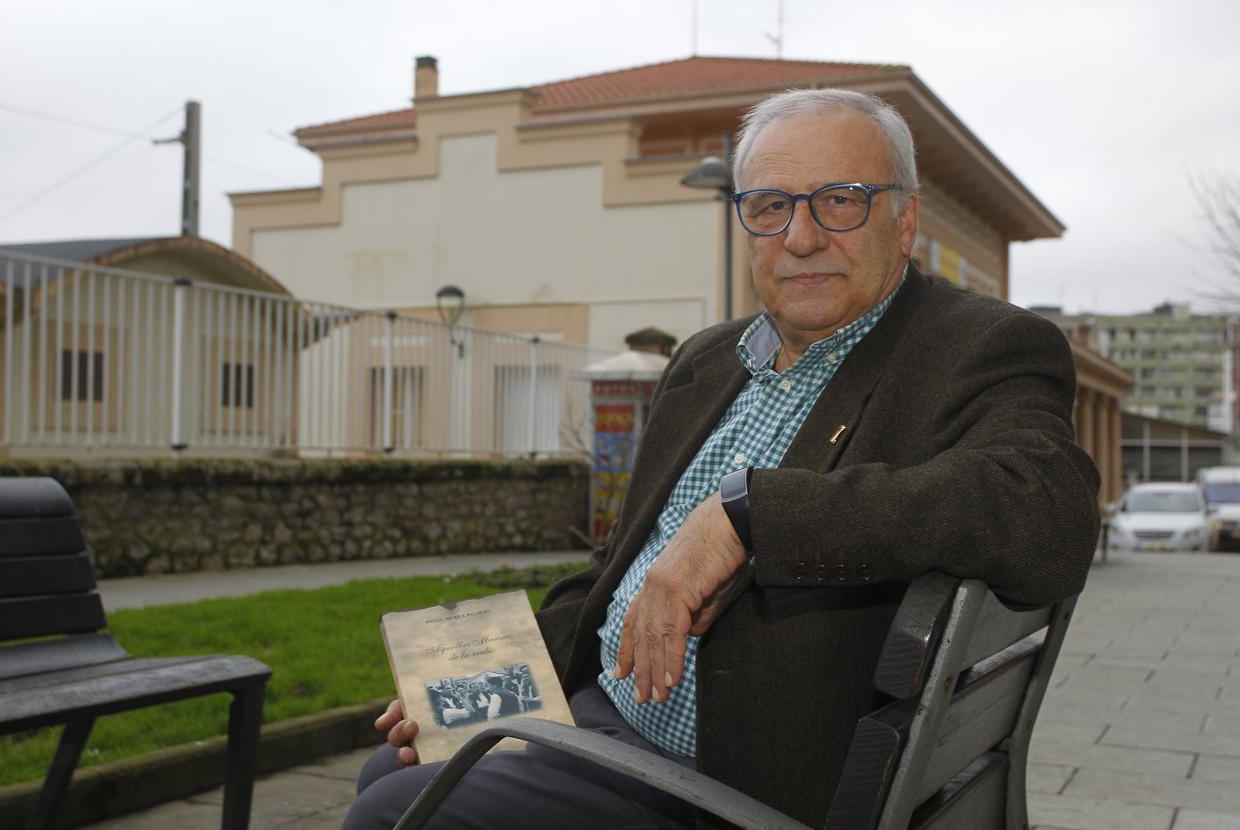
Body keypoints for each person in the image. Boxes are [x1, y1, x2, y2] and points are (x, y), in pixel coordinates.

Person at [343, 88, 1099, 830]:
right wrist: (476, 682)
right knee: (392, 767)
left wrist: (751, 517)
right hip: (604, 716)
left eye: (838, 200)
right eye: (770, 206)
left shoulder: (975, 348)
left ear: (904, 220)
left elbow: (1046, 507)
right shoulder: (708, 359)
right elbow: (615, 570)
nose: (799, 237)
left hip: (720, 783)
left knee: (395, 809)